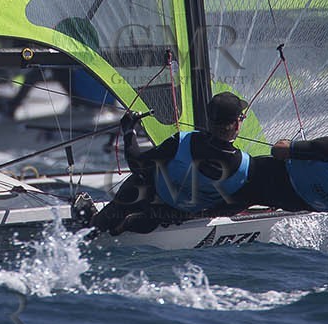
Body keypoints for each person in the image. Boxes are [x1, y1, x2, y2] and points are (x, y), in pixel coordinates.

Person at [86, 92, 251, 235]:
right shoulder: (244, 165)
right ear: (237, 124)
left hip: (154, 201)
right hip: (183, 213)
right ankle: (143, 221)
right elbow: (236, 205)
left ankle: (97, 225)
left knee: (142, 178)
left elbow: (137, 165)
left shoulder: (182, 141)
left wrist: (129, 131)